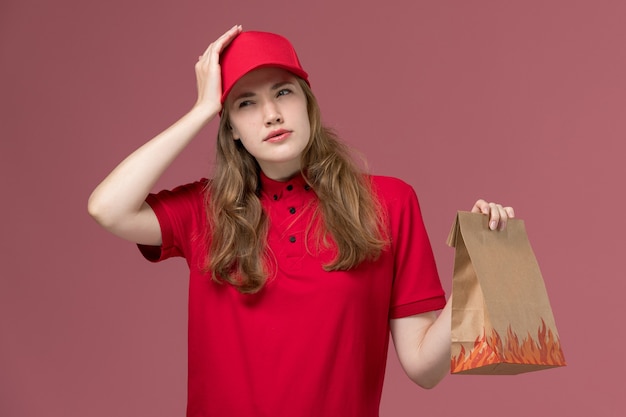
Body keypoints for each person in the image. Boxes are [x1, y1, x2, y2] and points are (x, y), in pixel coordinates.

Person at [88, 25, 515, 417]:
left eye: (284, 93)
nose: (271, 113)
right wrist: (200, 110)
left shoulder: (389, 202)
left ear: (308, 103)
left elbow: (425, 368)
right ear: (230, 127)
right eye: (245, 102)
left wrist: (476, 274)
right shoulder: (204, 209)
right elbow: (107, 208)